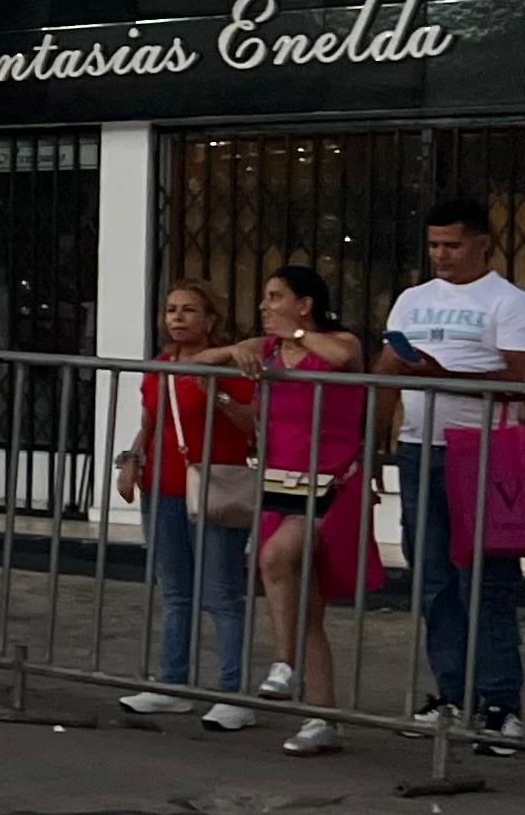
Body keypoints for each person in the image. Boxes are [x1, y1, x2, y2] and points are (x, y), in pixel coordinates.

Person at [377, 197, 525, 753]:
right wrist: (372, 439)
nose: (442, 256)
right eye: (433, 245)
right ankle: (453, 695)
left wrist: (439, 374)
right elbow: (384, 372)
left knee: (487, 581)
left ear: (483, 244)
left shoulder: (511, 302)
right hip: (417, 448)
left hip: (482, 451)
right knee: (432, 579)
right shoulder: (412, 299)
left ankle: (502, 704)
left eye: (452, 245)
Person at [205, 267, 370, 755]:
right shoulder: (270, 352)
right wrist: (235, 351)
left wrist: (297, 334)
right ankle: (322, 717)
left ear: (305, 304)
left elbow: (343, 356)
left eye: (275, 296)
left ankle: (283, 663)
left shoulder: (336, 342)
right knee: (308, 606)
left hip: (332, 484)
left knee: (275, 558)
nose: (265, 305)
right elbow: (198, 358)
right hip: (282, 484)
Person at [113, 281, 258, 729]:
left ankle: (234, 694)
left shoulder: (231, 363)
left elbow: (252, 422)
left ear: (210, 320)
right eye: (171, 309)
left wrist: (215, 391)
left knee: (221, 594)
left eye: (189, 310)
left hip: (216, 485)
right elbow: (152, 420)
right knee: (176, 592)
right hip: (163, 486)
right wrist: (132, 459)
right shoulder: (159, 365)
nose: (177, 318)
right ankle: (172, 685)